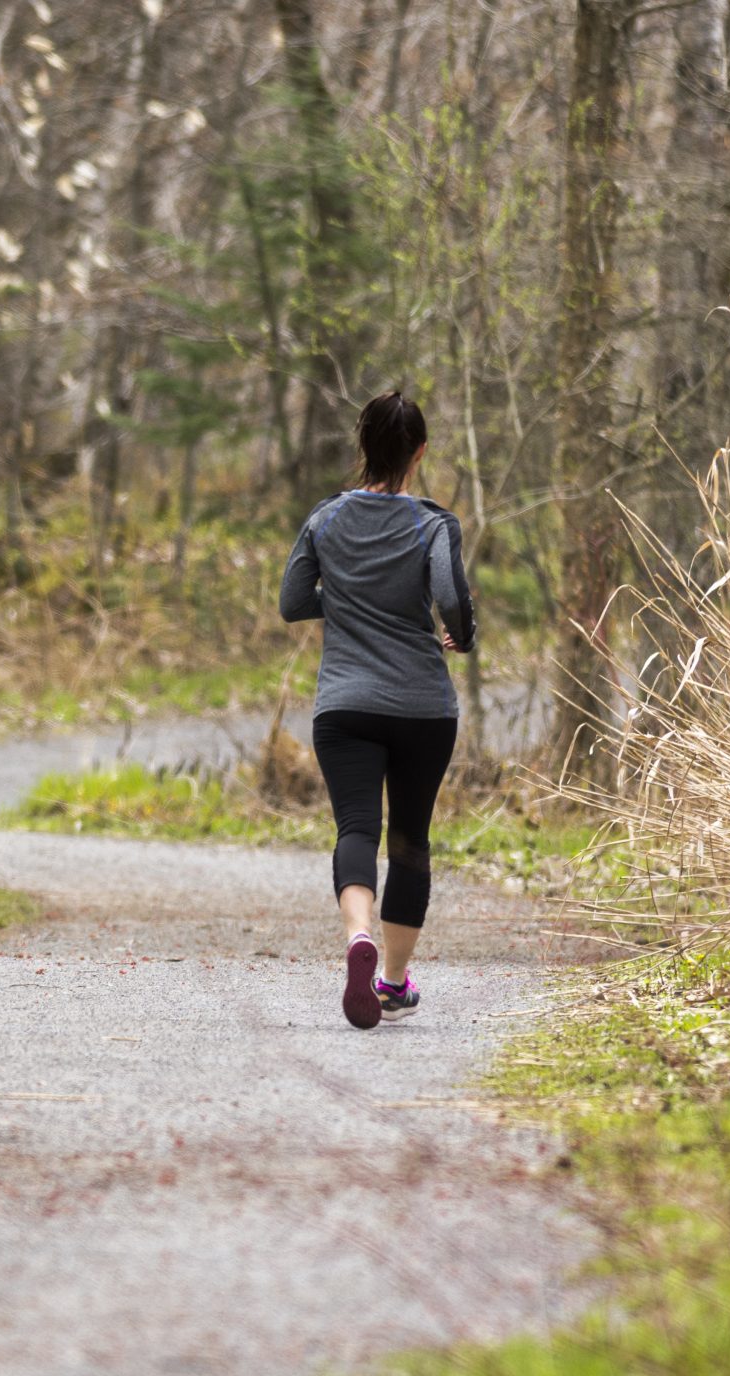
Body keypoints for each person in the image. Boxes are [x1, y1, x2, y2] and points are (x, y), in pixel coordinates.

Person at [278, 390, 476, 1030]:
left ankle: (357, 934)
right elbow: (450, 598)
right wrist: (462, 635)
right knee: (411, 840)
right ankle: (392, 982)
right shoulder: (433, 523)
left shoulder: (326, 520)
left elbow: (290, 600)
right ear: (420, 452)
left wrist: (342, 604)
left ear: (362, 447)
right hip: (423, 707)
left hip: (344, 706)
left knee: (356, 830)